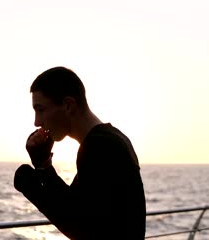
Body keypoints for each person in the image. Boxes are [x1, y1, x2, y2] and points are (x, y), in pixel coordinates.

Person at [14, 66, 146, 239]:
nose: (37, 122)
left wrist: (29, 185)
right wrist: (43, 165)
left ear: (68, 105)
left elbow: (82, 228)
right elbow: (74, 206)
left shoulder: (100, 146)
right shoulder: (109, 139)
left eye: (41, 109)